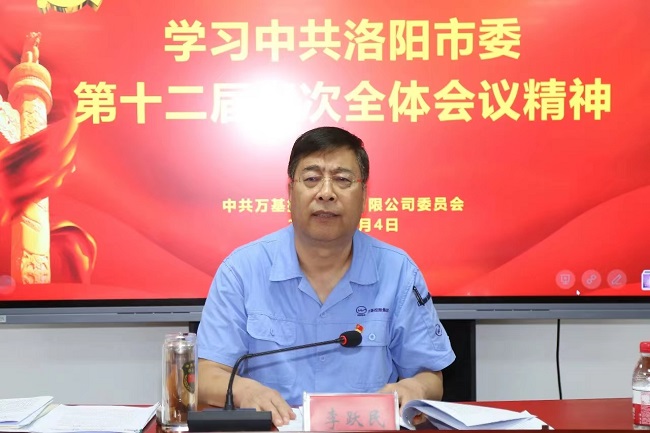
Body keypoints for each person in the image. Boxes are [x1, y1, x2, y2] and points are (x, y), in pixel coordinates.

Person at [197, 126, 455, 427]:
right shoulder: (242, 270)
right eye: (311, 179)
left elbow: (430, 376)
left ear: (364, 195)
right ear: (290, 192)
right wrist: (244, 391)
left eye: (342, 179)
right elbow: (206, 376)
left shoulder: (398, 271)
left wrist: (415, 388)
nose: (326, 193)